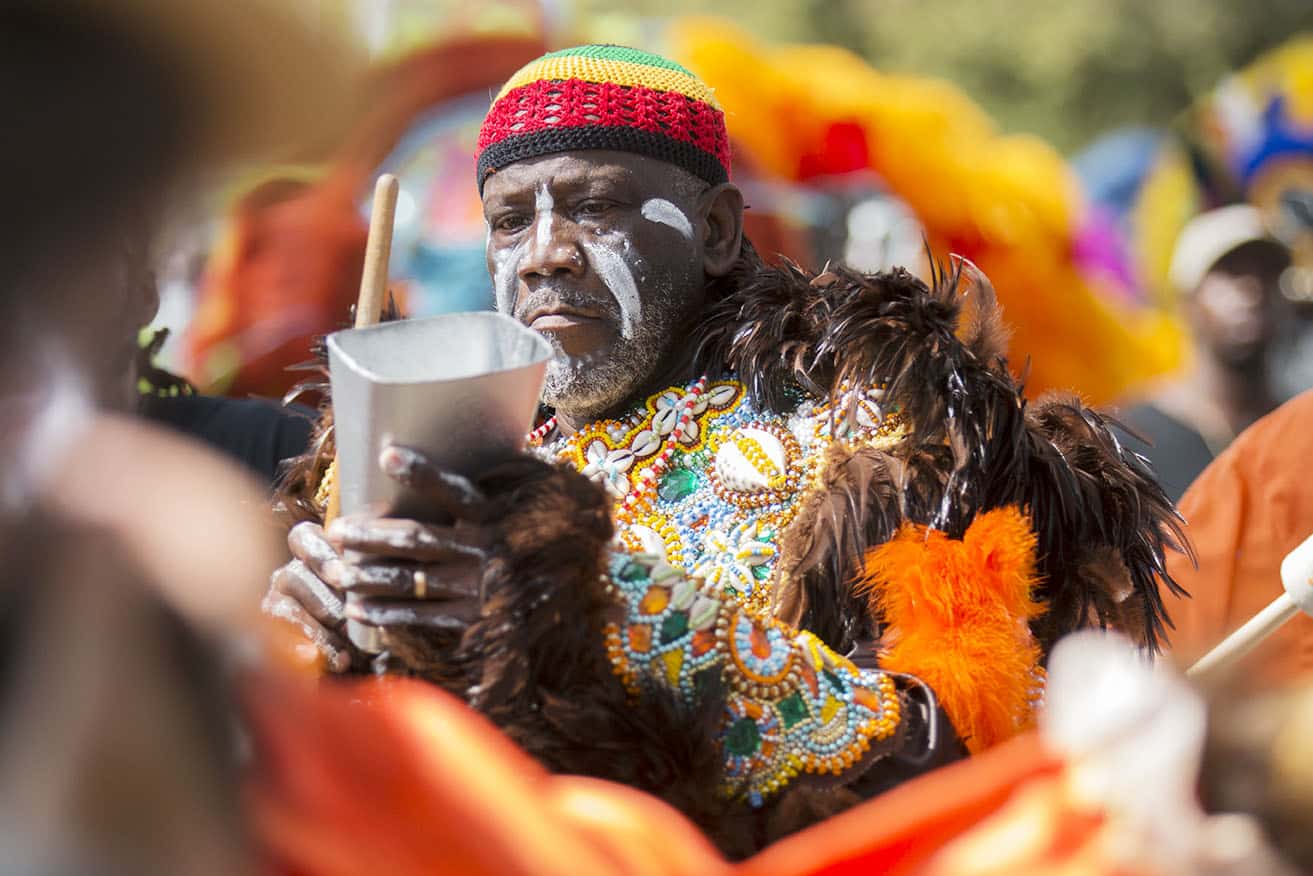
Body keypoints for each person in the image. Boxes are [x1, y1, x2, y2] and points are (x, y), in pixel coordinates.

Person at [267, 45, 1186, 855]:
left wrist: (600, 606)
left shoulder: (873, 430)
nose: (542, 254)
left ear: (711, 230)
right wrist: (309, 650)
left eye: (593, 206)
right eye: (510, 220)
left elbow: (950, 750)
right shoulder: (446, 441)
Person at [1120, 205, 1293, 501]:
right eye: (1230, 272)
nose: (1252, 289)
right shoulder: (1130, 439)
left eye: (1266, 273)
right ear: (1187, 302)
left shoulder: (1299, 427)